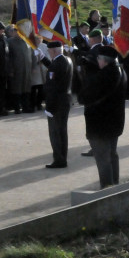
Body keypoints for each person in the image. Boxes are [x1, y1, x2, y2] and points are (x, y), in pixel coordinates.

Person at [81, 46, 126, 189]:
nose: (97, 61)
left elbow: (83, 96)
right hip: (114, 122)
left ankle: (107, 189)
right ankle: (115, 184)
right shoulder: (120, 71)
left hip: (100, 123)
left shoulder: (103, 76)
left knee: (103, 158)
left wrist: (84, 73)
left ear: (104, 61)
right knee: (112, 155)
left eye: (98, 59)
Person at [41, 40, 73, 169]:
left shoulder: (57, 64)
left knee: (56, 132)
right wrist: (44, 59)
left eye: (48, 52)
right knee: (62, 131)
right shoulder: (67, 60)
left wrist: (49, 107)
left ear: (53, 51)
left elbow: (52, 87)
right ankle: (61, 158)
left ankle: (59, 159)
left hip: (57, 103)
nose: (49, 53)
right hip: (65, 100)